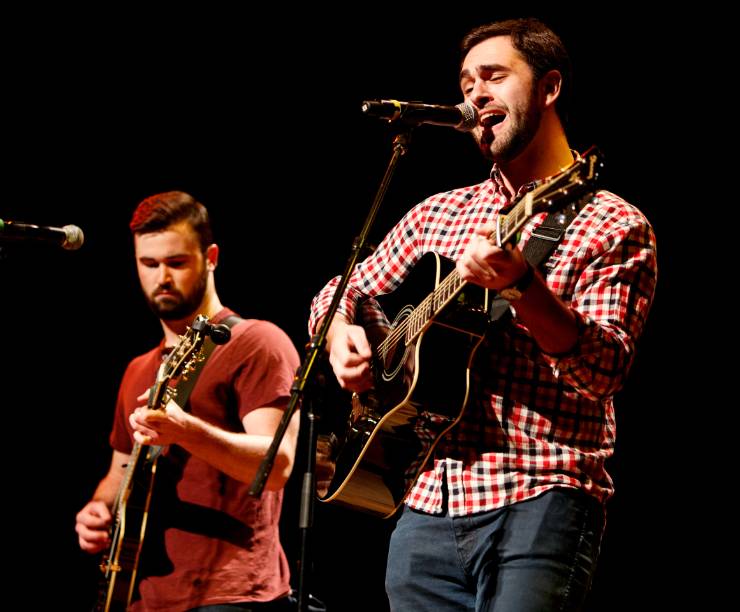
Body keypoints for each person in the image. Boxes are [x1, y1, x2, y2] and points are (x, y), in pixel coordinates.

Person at [309, 17, 657, 612]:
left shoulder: (612, 222)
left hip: (540, 495)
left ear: (548, 88)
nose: (474, 95)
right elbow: (337, 292)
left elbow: (603, 371)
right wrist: (342, 334)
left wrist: (524, 285)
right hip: (425, 505)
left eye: (493, 76)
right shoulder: (439, 213)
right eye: (467, 83)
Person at [76, 191, 301, 611]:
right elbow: (121, 469)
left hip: (231, 593)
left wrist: (186, 431)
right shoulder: (138, 369)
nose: (162, 277)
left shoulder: (256, 342)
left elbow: (277, 465)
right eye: (149, 264)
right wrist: (97, 509)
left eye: (176, 263)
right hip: (140, 594)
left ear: (210, 256)